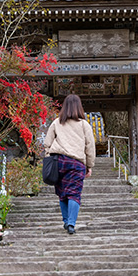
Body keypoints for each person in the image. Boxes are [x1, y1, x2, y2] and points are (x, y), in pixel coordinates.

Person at [43, 94, 96, 235]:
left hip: (58, 161)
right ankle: (71, 224)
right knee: (74, 194)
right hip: (76, 162)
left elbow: (47, 143)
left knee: (62, 193)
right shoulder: (84, 125)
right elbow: (89, 146)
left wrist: (49, 158)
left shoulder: (56, 122)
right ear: (79, 107)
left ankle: (66, 221)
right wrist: (89, 166)